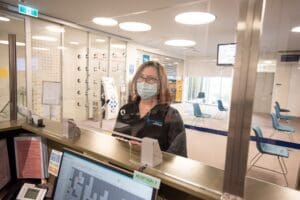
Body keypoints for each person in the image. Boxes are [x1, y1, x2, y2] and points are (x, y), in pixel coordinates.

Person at [113, 61, 187, 157]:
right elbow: (115, 140)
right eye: (141, 77)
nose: (144, 82)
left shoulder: (171, 116)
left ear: (161, 84)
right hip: (123, 165)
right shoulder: (126, 110)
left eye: (151, 79)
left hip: (152, 169)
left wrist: (151, 153)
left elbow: (179, 156)